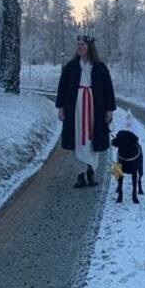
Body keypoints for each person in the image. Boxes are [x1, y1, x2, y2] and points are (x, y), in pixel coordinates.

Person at [55, 33, 116, 188]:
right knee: (77, 138)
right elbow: (62, 88)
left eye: (82, 45)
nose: (79, 47)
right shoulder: (71, 66)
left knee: (92, 138)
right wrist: (61, 107)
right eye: (78, 45)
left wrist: (109, 110)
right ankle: (80, 174)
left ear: (89, 47)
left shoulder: (100, 67)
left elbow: (108, 89)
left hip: (95, 107)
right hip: (75, 107)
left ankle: (91, 170)